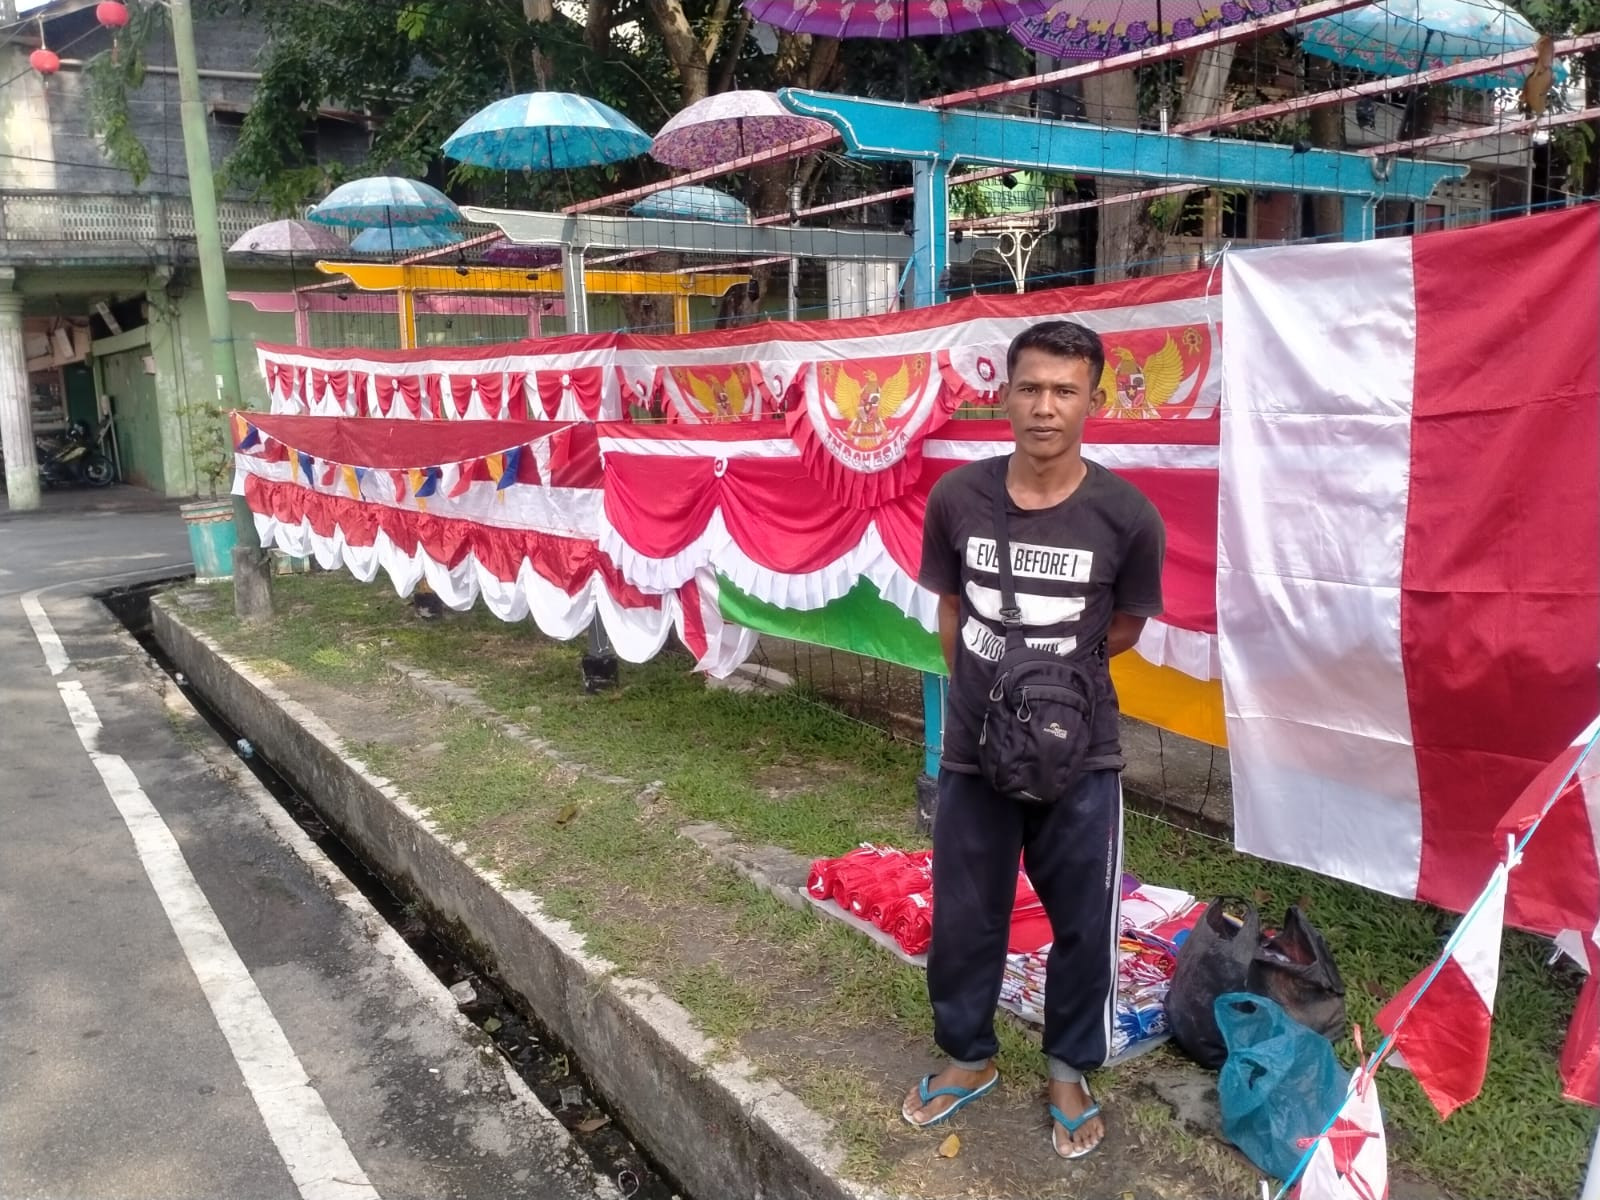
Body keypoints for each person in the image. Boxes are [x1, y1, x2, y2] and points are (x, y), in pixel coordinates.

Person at [903, 320, 1166, 1160]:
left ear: (1094, 400)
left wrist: (1052, 689)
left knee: (1086, 918)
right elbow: (951, 610)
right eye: (1030, 387)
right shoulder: (957, 500)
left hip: (1081, 755)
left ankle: (1066, 1068)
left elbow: (1121, 626)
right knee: (966, 913)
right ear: (1004, 393)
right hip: (975, 751)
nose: (1044, 407)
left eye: (1064, 390)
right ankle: (967, 1058)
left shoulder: (1128, 517)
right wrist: (989, 699)